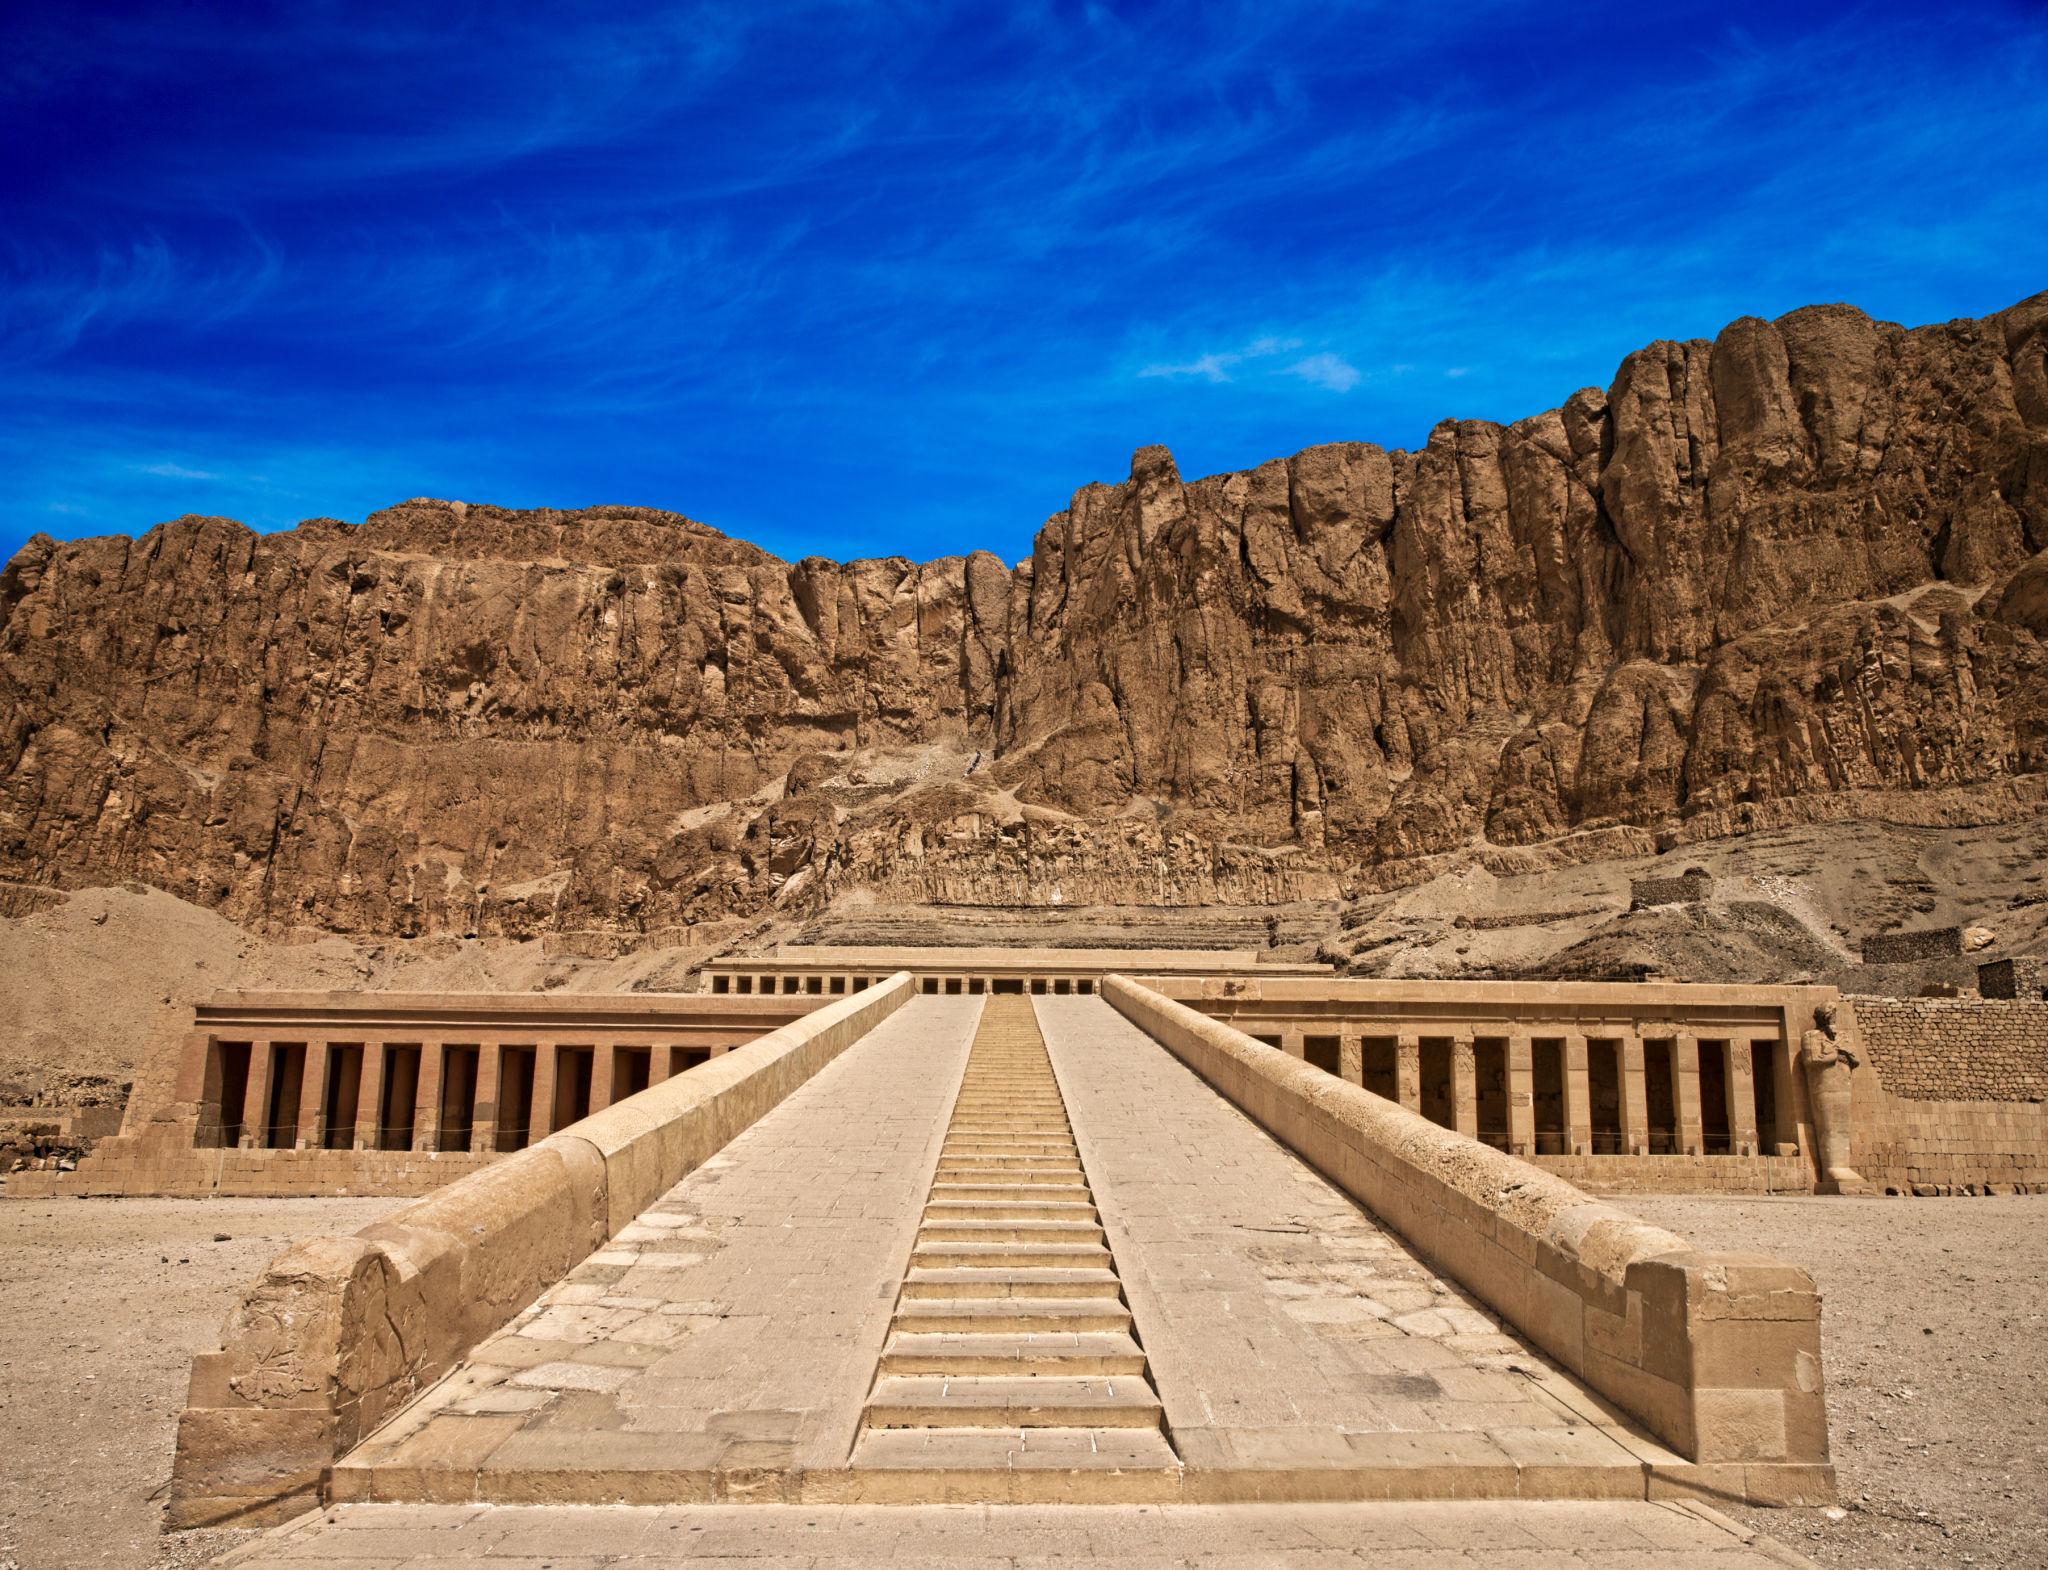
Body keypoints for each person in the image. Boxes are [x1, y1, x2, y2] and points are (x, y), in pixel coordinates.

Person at [1800, 1002, 1867, 1193]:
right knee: (1829, 1126)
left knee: (1843, 1125)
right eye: (1830, 1016)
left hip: (1843, 1081)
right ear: (1822, 1017)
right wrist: (1836, 1053)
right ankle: (1832, 1168)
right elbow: (1812, 1060)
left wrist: (1841, 1051)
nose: (1833, 1019)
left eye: (1834, 1015)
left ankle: (1842, 1166)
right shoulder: (1811, 1036)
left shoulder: (1843, 1036)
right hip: (1824, 1083)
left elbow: (1856, 1059)